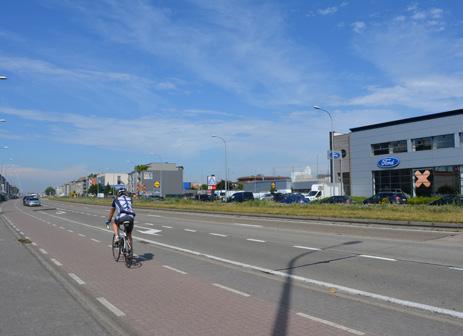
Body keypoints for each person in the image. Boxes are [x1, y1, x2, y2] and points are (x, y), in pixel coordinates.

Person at [105, 187, 136, 254]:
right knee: (129, 234)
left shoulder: (116, 199)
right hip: (131, 217)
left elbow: (112, 211)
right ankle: (130, 250)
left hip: (122, 217)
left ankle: (116, 237)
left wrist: (108, 220)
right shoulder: (130, 199)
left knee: (114, 222)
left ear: (118, 193)